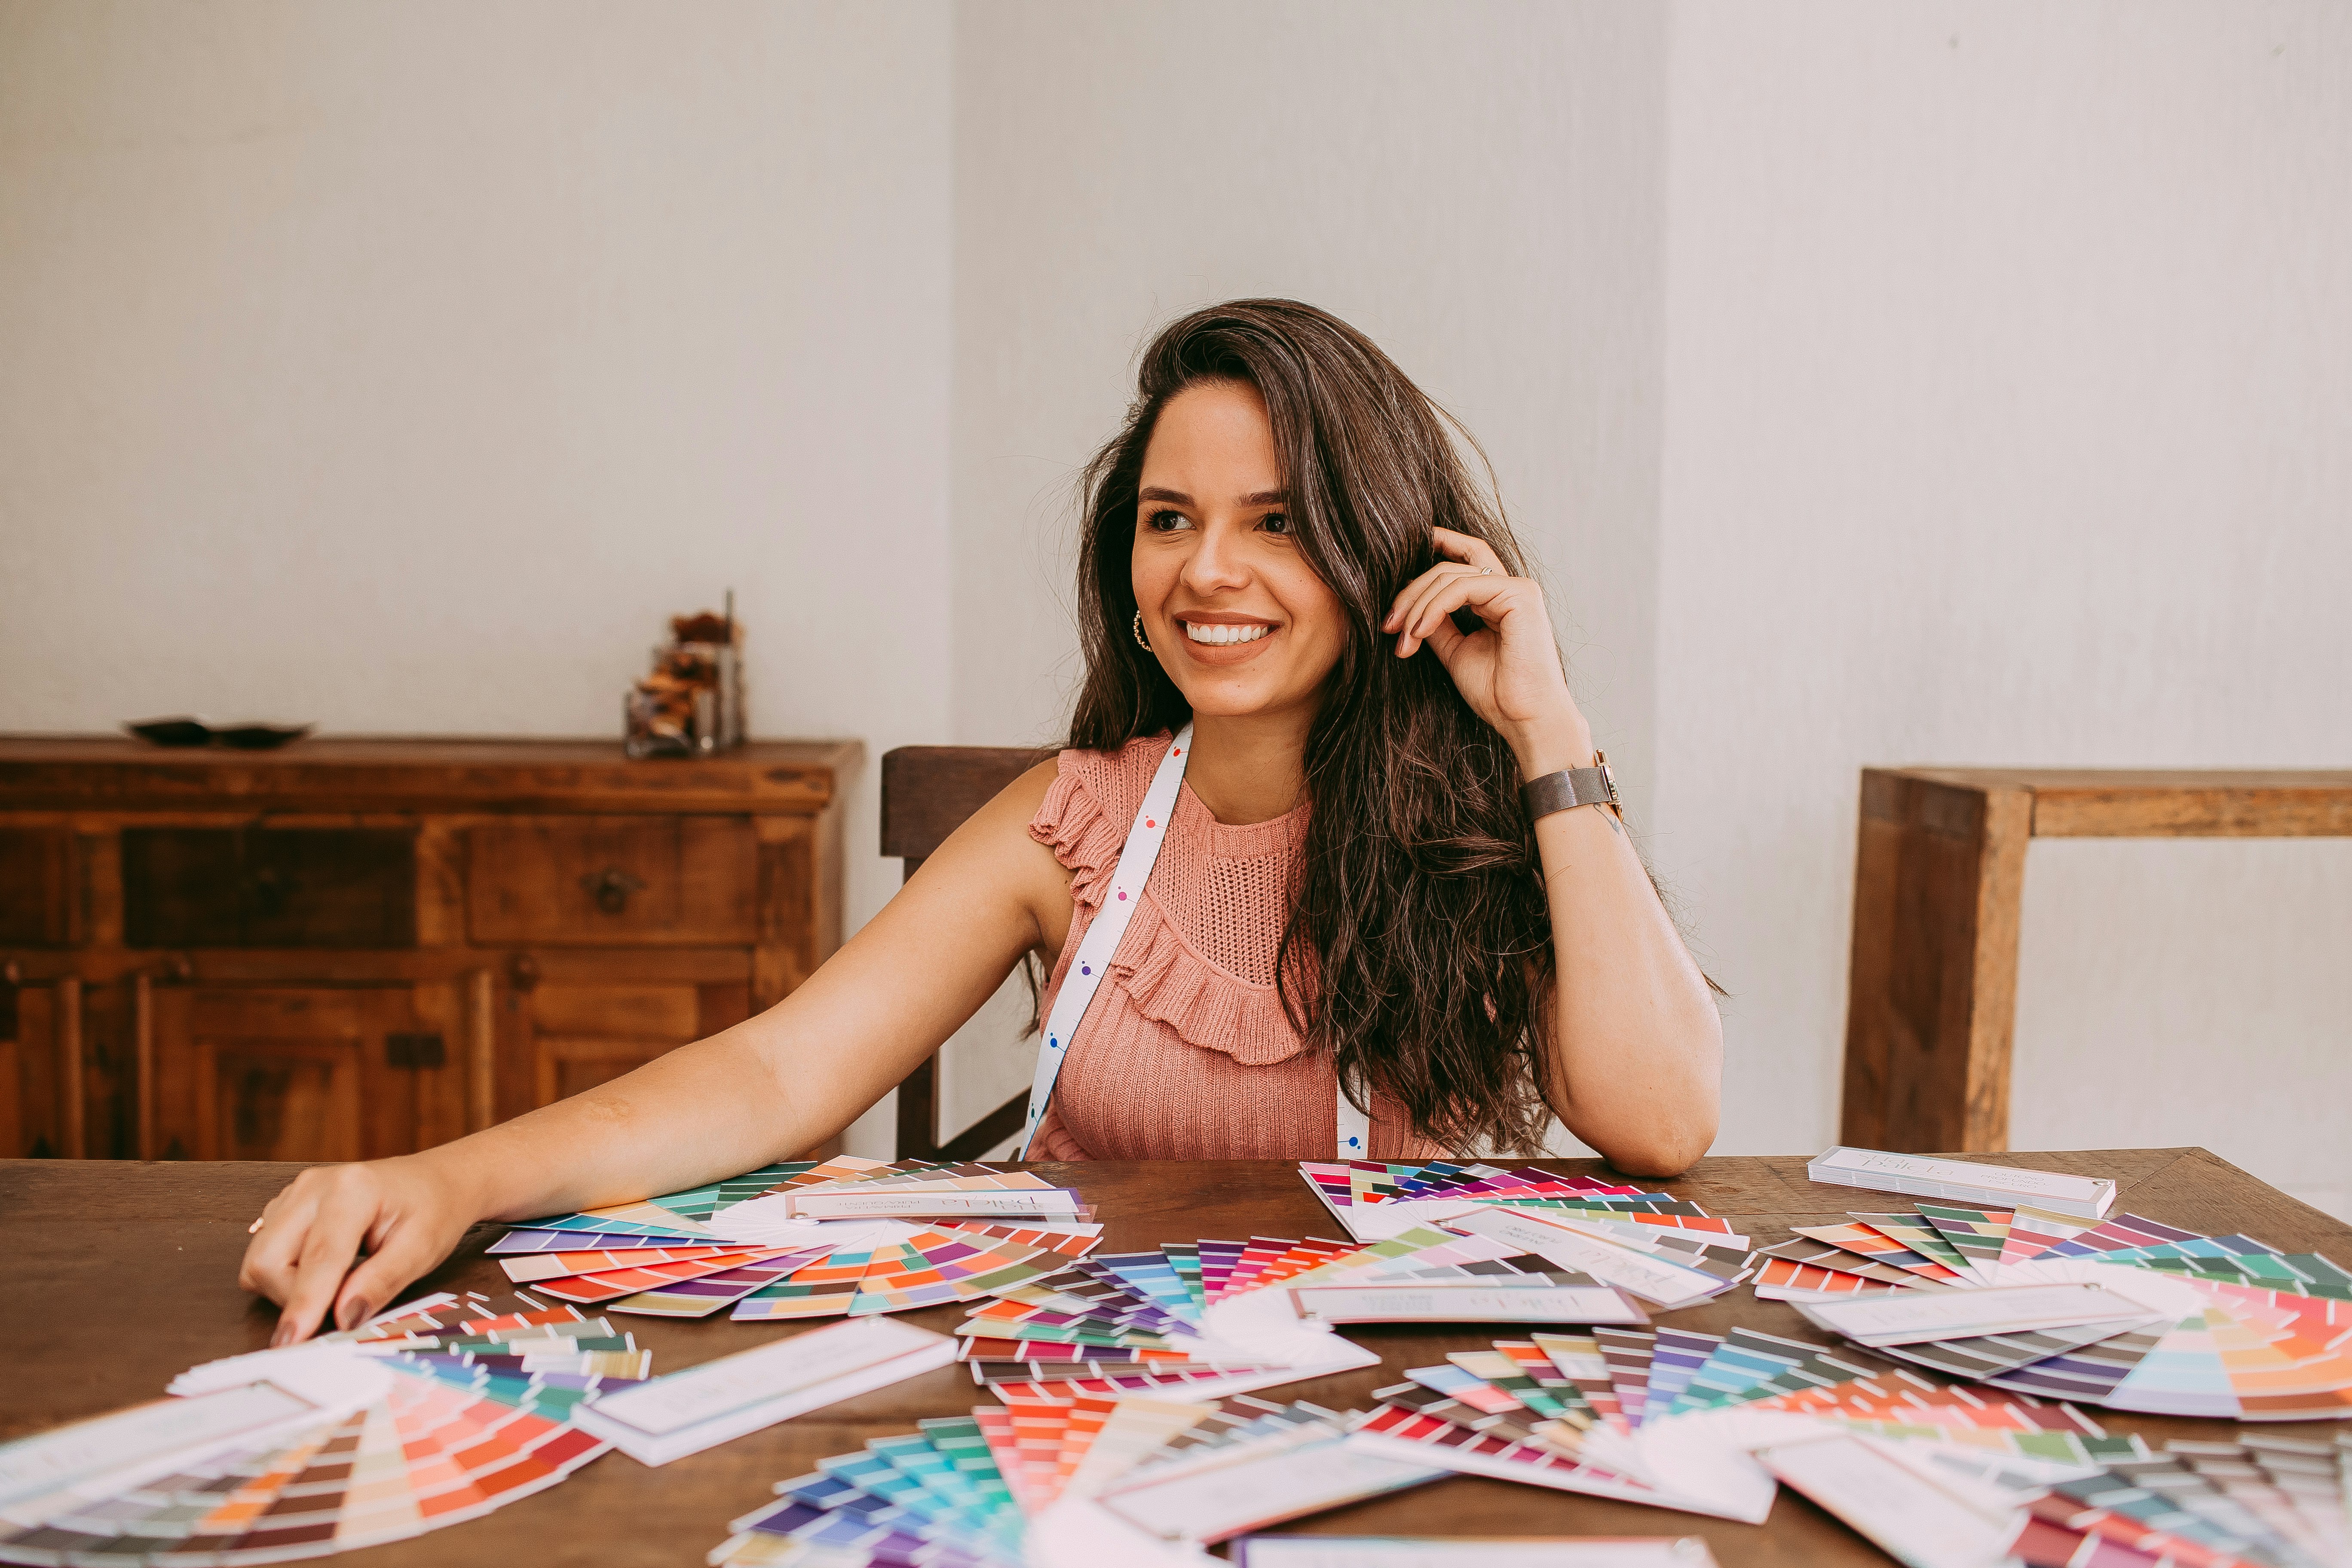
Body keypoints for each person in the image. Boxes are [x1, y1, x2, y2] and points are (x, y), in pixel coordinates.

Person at [239, 300, 1723, 1344]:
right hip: (1076, 1394)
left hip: (1384, 1405)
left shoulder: (1481, 825)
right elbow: (777, 1074)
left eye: (1275, 521)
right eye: (1168, 517)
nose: (1209, 570)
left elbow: (1662, 1125)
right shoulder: (1063, 828)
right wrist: (452, 1178)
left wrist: (1546, 728)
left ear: (1373, 553)